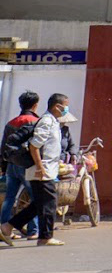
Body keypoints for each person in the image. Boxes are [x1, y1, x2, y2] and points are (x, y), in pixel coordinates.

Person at [1, 93, 70, 247]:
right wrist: (39, 167)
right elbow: (34, 146)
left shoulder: (53, 121)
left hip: (46, 169)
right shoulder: (46, 121)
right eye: (65, 105)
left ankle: (7, 227)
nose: (67, 108)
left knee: (39, 204)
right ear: (57, 106)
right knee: (50, 203)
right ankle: (45, 237)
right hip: (42, 171)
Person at [1, 91, 39, 241]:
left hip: (11, 165)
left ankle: (3, 228)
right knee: (34, 198)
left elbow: (3, 146)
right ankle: (33, 230)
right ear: (35, 105)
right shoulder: (35, 122)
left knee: (9, 197)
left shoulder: (11, 122)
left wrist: (3, 166)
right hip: (27, 165)